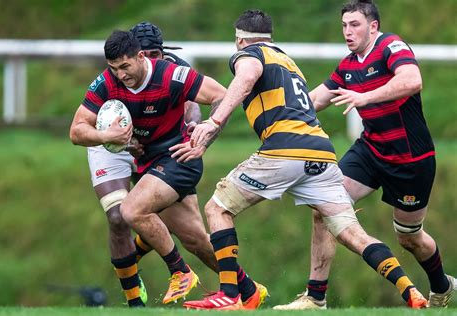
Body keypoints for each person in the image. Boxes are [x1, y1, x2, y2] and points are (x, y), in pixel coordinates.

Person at [174, 9, 428, 310]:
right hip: (321, 152)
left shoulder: (248, 54)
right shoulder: (287, 61)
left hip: (283, 150)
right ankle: (409, 290)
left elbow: (246, 78)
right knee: (351, 233)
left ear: (239, 39)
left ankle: (231, 294)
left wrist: (213, 122)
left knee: (217, 207)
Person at [273, 0, 457, 310]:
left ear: (373, 26)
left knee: (409, 237)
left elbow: (412, 81)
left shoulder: (391, 46)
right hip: (370, 149)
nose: (348, 31)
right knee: (324, 205)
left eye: (354, 24)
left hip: (409, 159)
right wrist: (276, 116)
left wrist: (365, 97)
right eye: (344, 25)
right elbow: (316, 97)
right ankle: (315, 297)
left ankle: (441, 284)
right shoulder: (349, 64)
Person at [70, 29, 267, 309]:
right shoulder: (106, 83)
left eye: (125, 67)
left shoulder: (173, 74)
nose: (121, 75)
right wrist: (107, 137)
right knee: (194, 238)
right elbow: (76, 130)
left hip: (177, 159)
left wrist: (204, 133)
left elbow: (221, 96)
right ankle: (248, 291)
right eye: (115, 69)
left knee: (131, 210)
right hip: (149, 161)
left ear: (141, 57)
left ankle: (180, 272)